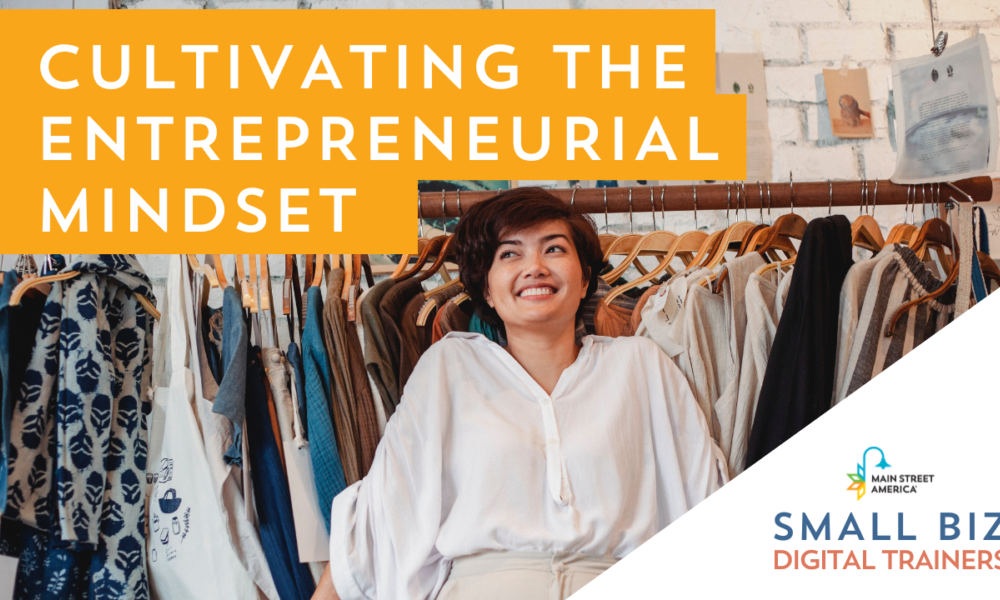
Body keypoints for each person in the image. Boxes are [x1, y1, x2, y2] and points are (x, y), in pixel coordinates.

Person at [311, 188, 727, 600]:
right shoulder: (450, 368)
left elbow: (704, 501)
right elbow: (382, 514)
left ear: (584, 280)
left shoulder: (641, 365)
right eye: (510, 254)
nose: (535, 267)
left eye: (554, 249)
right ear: (487, 291)